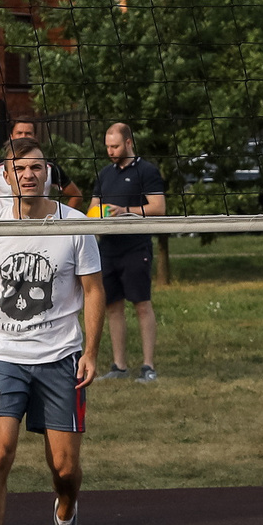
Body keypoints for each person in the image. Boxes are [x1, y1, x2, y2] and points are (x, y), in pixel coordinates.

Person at [0, 137, 104, 525]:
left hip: (61, 356)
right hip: (6, 356)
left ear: (49, 175)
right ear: (5, 176)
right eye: (19, 169)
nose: (28, 175)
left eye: (37, 167)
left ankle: (66, 515)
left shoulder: (74, 225)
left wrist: (92, 352)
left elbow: (94, 291)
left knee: (64, 469)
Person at [90, 122, 166, 382]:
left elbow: (159, 208)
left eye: (115, 146)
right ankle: (119, 367)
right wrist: (95, 218)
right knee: (112, 306)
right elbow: (93, 208)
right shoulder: (104, 174)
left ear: (129, 143)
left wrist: (125, 212)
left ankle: (148, 366)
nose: (110, 151)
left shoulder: (147, 171)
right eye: (108, 147)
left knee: (142, 304)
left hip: (136, 246)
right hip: (108, 249)